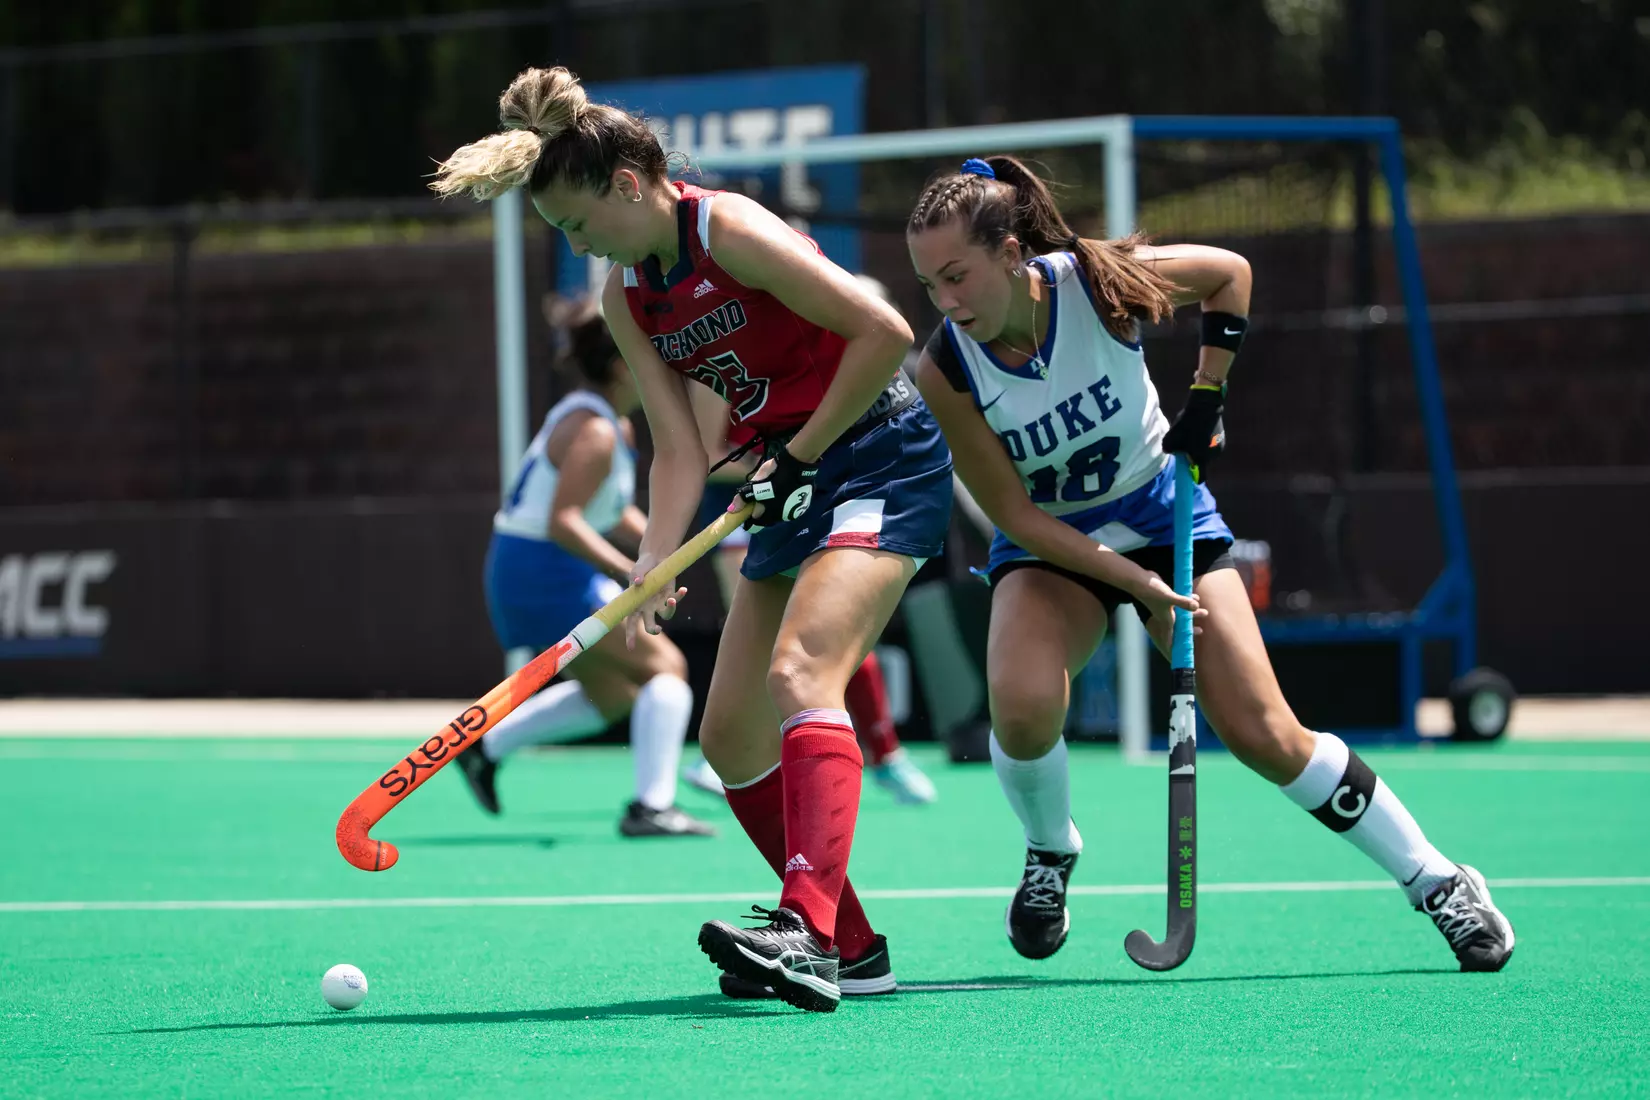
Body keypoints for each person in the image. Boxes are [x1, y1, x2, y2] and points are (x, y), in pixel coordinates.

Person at [905, 155, 1514, 972]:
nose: (946, 302)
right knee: (1018, 705)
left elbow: (1230, 275)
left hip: (1165, 518)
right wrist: (1127, 581)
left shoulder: (1096, 282)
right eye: (930, 286)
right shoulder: (944, 369)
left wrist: (1207, 396)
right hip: (1055, 542)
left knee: (1265, 734)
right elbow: (1011, 514)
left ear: (1011, 253)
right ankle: (1050, 852)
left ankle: (1438, 879)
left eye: (958, 277)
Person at [433, 67, 954, 1012]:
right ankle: (854, 946)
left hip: (881, 451)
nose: (579, 245)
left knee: (802, 675)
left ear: (626, 185)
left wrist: (797, 452)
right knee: (726, 736)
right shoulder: (629, 298)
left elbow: (883, 330)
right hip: (789, 478)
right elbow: (677, 449)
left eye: (577, 225)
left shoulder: (732, 229)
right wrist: (648, 565)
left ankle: (801, 928)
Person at [457, 294, 715, 839]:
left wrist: (662, 547)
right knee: (665, 668)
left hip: (543, 571)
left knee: (616, 694)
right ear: (624, 365)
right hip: (543, 574)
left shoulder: (609, 424)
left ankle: (486, 746)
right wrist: (635, 572)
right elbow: (565, 520)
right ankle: (652, 807)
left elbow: (610, 509)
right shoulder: (595, 432)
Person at [683, 335, 940, 808]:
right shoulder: (714, 357)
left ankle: (885, 754)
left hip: (815, 492)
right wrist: (778, 468)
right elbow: (706, 457)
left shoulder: (811, 347)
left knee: (821, 637)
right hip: (746, 512)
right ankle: (747, 748)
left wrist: (797, 462)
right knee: (776, 641)